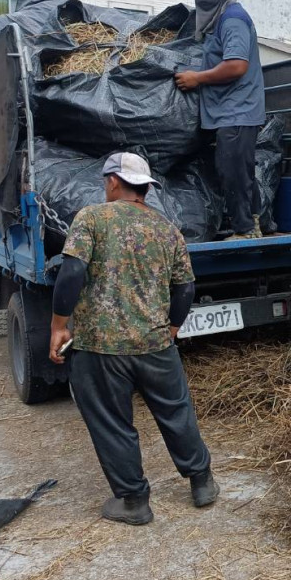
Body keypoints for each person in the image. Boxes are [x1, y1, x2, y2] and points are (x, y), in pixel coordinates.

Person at [49, 151, 218, 525]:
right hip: (156, 345)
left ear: (112, 181)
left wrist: (59, 324)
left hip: (100, 348)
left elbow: (72, 271)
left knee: (112, 421)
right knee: (175, 413)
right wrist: (172, 328)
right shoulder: (166, 228)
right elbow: (186, 287)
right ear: (145, 187)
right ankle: (201, 481)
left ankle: (134, 501)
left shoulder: (91, 218)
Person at [174, 0, 265, 240]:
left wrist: (197, 78)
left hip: (238, 111)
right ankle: (257, 223)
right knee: (238, 169)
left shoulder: (232, 18)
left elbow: (237, 65)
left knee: (234, 171)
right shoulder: (216, 18)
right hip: (226, 111)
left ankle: (246, 230)